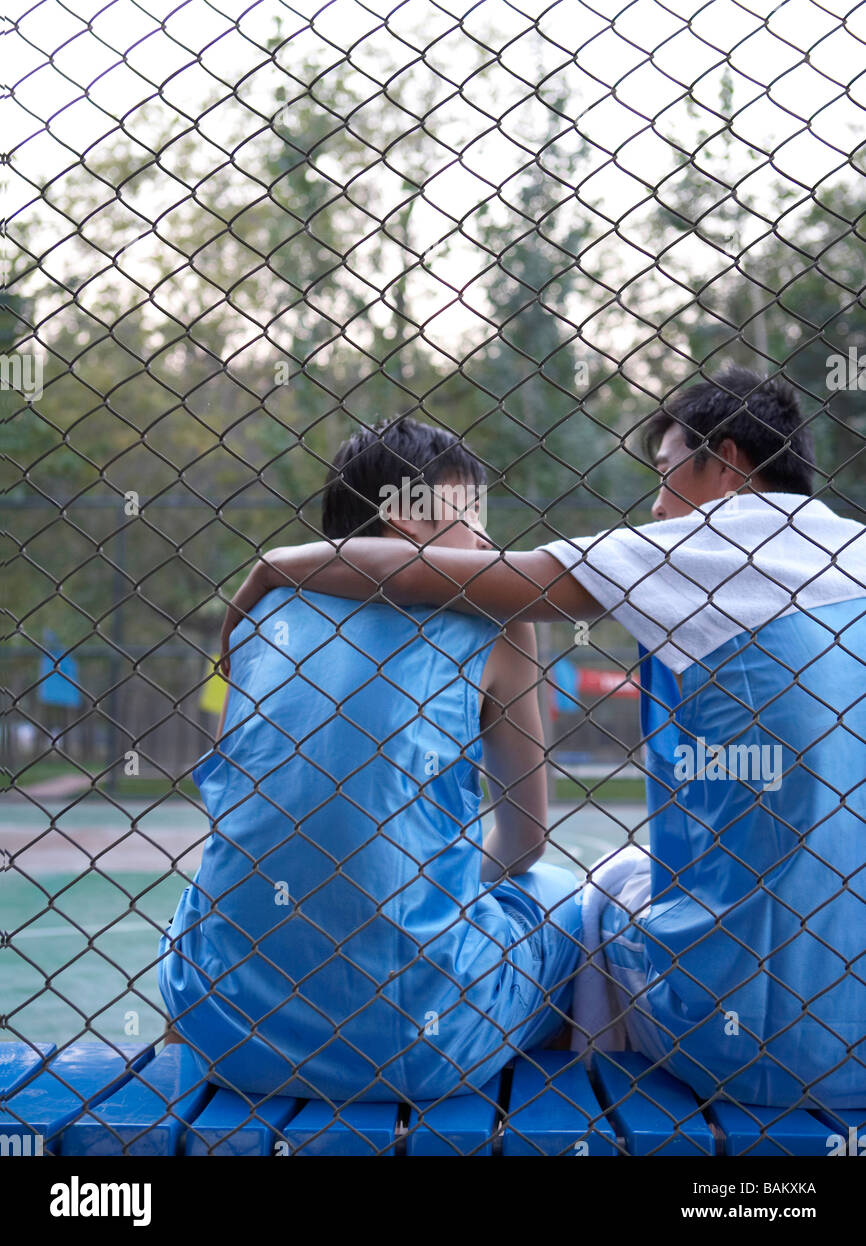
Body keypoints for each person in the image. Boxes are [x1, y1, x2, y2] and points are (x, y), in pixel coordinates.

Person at [222, 367, 866, 1109]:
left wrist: (278, 563)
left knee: (608, 888)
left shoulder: (704, 546)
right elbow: (523, 837)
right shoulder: (848, 546)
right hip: (831, 1039)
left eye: (664, 474)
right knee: (589, 890)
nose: (656, 506)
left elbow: (468, 575)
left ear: (721, 463)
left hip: (745, 1049)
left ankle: (591, 1087)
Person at [159, 417, 585, 1102]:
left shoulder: (264, 618)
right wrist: (416, 884)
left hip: (222, 1026)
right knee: (564, 899)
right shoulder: (498, 618)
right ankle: (535, 1114)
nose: (486, 543)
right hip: (420, 1043)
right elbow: (525, 841)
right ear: (408, 523)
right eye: (471, 518)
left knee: (203, 897)